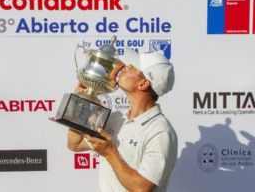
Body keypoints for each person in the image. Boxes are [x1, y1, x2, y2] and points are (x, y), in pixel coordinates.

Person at [67, 47, 178, 192]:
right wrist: (83, 103)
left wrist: (109, 152)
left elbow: (142, 188)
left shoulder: (161, 132)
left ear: (143, 84)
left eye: (134, 68)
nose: (126, 67)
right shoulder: (117, 117)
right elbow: (75, 144)